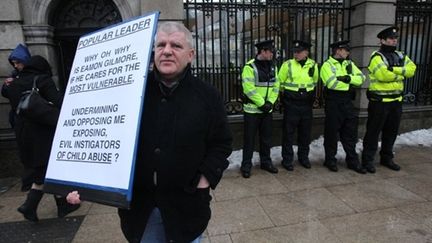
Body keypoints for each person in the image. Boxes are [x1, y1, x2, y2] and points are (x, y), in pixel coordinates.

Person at [68, 22, 233, 242]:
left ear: (191, 54)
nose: (166, 51)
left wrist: (204, 181)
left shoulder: (207, 95)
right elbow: (99, 134)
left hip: (187, 207)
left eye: (176, 45)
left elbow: (221, 143)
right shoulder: (130, 92)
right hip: (141, 211)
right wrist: (80, 182)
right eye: (160, 45)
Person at [5, 55, 80, 222]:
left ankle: (59, 204)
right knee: (48, 169)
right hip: (42, 132)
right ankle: (31, 206)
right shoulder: (42, 80)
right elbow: (60, 101)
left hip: (23, 133)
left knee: (44, 169)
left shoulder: (14, 83)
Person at [362, 26, 416, 173]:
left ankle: (387, 158)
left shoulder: (400, 55)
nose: (394, 41)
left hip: (396, 102)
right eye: (391, 38)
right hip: (379, 102)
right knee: (373, 132)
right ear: (382, 40)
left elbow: (412, 69)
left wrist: (393, 70)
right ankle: (367, 160)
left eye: (395, 38)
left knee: (391, 132)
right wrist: (401, 73)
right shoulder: (376, 57)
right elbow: (382, 76)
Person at [320, 40, 366, 174]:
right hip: (334, 102)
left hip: (347, 102)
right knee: (331, 133)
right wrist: (350, 82)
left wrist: (347, 78)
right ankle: (330, 160)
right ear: (338, 50)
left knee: (350, 133)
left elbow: (361, 78)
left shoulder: (349, 64)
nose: (348, 52)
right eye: (346, 50)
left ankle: (352, 161)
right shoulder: (327, 65)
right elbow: (331, 84)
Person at [240, 40, 280, 178]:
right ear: (262, 51)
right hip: (252, 111)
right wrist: (262, 104)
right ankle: (246, 165)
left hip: (266, 110)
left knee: (266, 139)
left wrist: (270, 102)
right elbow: (248, 89)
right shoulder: (249, 67)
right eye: (270, 51)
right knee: (249, 139)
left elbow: (276, 86)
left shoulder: (274, 66)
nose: (272, 54)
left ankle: (266, 162)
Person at [278, 40, 319, 171]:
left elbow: (315, 81)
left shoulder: (313, 65)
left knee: (305, 133)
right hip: (291, 103)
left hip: (306, 104)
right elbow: (279, 82)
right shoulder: (287, 65)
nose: (296, 54)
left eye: (299, 52)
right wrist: (284, 98)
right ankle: (287, 160)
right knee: (288, 134)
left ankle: (303, 158)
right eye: (295, 52)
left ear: (306, 52)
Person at [2, 43, 31, 129]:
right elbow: (5, 93)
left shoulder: (33, 73)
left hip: (31, 112)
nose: (15, 66)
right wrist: (7, 85)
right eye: (14, 63)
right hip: (17, 114)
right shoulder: (14, 74)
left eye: (18, 63)